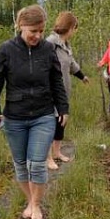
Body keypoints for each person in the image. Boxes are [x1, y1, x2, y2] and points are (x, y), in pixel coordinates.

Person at [0, 4, 69, 219]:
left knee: (37, 162)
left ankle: (37, 204)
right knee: (21, 163)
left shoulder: (48, 50)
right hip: (15, 117)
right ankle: (30, 200)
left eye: (41, 31)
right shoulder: (5, 50)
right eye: (33, 31)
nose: (38, 36)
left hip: (43, 115)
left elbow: (56, 81)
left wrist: (63, 107)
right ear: (21, 26)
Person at [45, 11, 88, 170]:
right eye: (75, 28)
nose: (75, 32)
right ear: (70, 27)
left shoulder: (66, 45)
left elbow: (71, 64)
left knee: (61, 122)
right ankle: (47, 157)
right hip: (50, 92)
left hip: (63, 91)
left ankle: (57, 152)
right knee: (50, 123)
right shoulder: (50, 43)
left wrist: (82, 76)